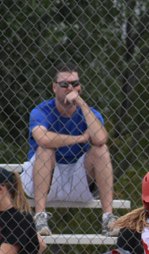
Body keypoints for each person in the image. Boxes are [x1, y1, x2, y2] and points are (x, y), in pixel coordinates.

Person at [22, 63, 114, 237]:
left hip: (78, 177)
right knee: (45, 149)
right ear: (54, 87)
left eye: (75, 83)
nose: (70, 88)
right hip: (45, 176)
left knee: (101, 150)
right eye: (65, 84)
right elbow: (42, 138)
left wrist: (80, 103)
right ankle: (40, 217)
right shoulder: (41, 110)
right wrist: (80, 138)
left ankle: (108, 219)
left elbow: (100, 139)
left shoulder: (90, 113)